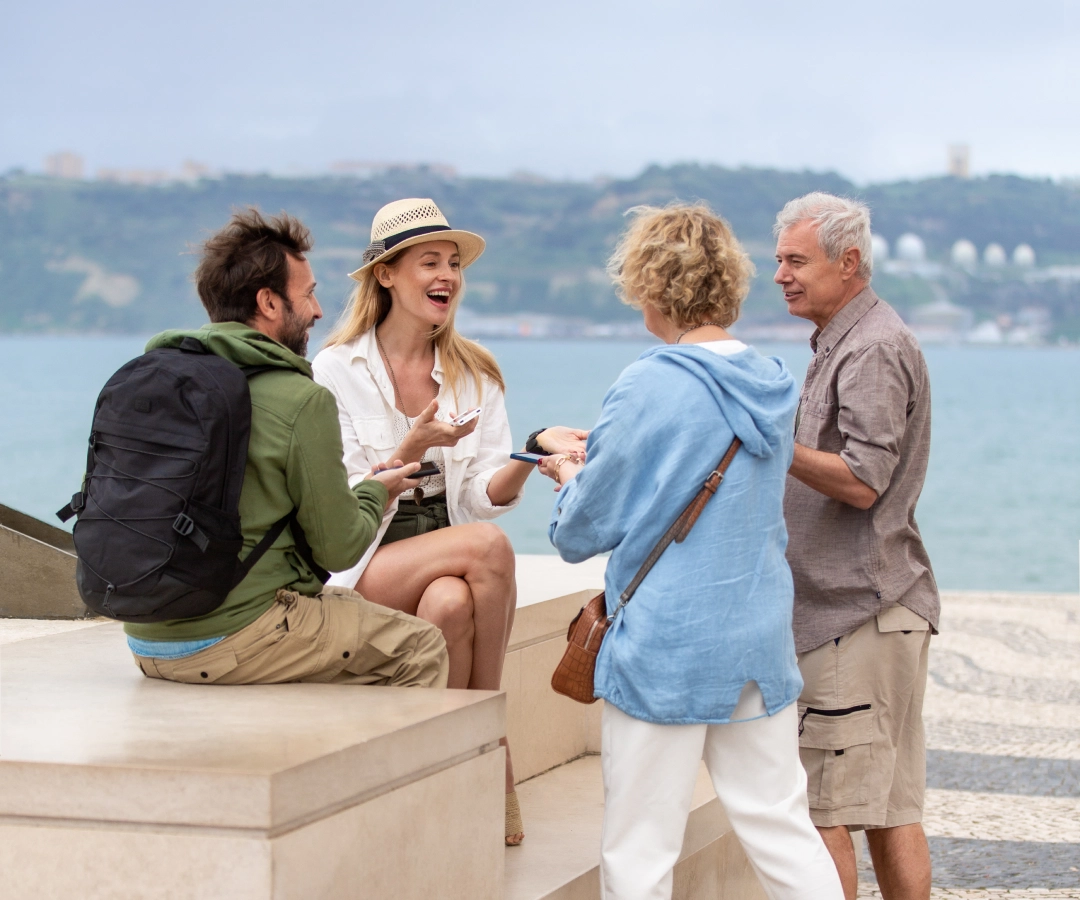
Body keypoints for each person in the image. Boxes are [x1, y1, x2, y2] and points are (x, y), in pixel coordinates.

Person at [538, 203, 844, 900]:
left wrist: (568, 476)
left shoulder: (650, 382)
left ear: (652, 286)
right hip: (757, 640)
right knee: (781, 828)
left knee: (641, 848)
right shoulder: (771, 381)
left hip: (666, 647)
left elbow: (580, 530)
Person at [311, 198, 587, 845]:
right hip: (367, 555)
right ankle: (492, 741)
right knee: (488, 548)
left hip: (443, 550)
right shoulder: (335, 370)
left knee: (448, 603)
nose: (447, 275)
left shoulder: (474, 371)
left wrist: (533, 452)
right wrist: (412, 446)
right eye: (430, 262)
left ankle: (443, 784)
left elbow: (484, 492)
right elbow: (343, 496)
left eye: (454, 263)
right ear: (386, 275)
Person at [124, 209, 448, 691]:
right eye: (309, 294)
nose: (318, 311)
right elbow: (339, 548)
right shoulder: (299, 398)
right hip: (232, 636)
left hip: (145, 636)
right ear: (269, 303)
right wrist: (376, 492)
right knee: (418, 647)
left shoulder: (152, 381)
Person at [774, 192, 938, 900]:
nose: (780, 274)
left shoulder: (869, 347)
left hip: (854, 617)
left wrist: (771, 440)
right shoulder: (848, 339)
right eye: (778, 259)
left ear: (849, 263)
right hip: (875, 610)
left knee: (826, 815)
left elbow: (865, 482)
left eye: (795, 261)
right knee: (889, 812)